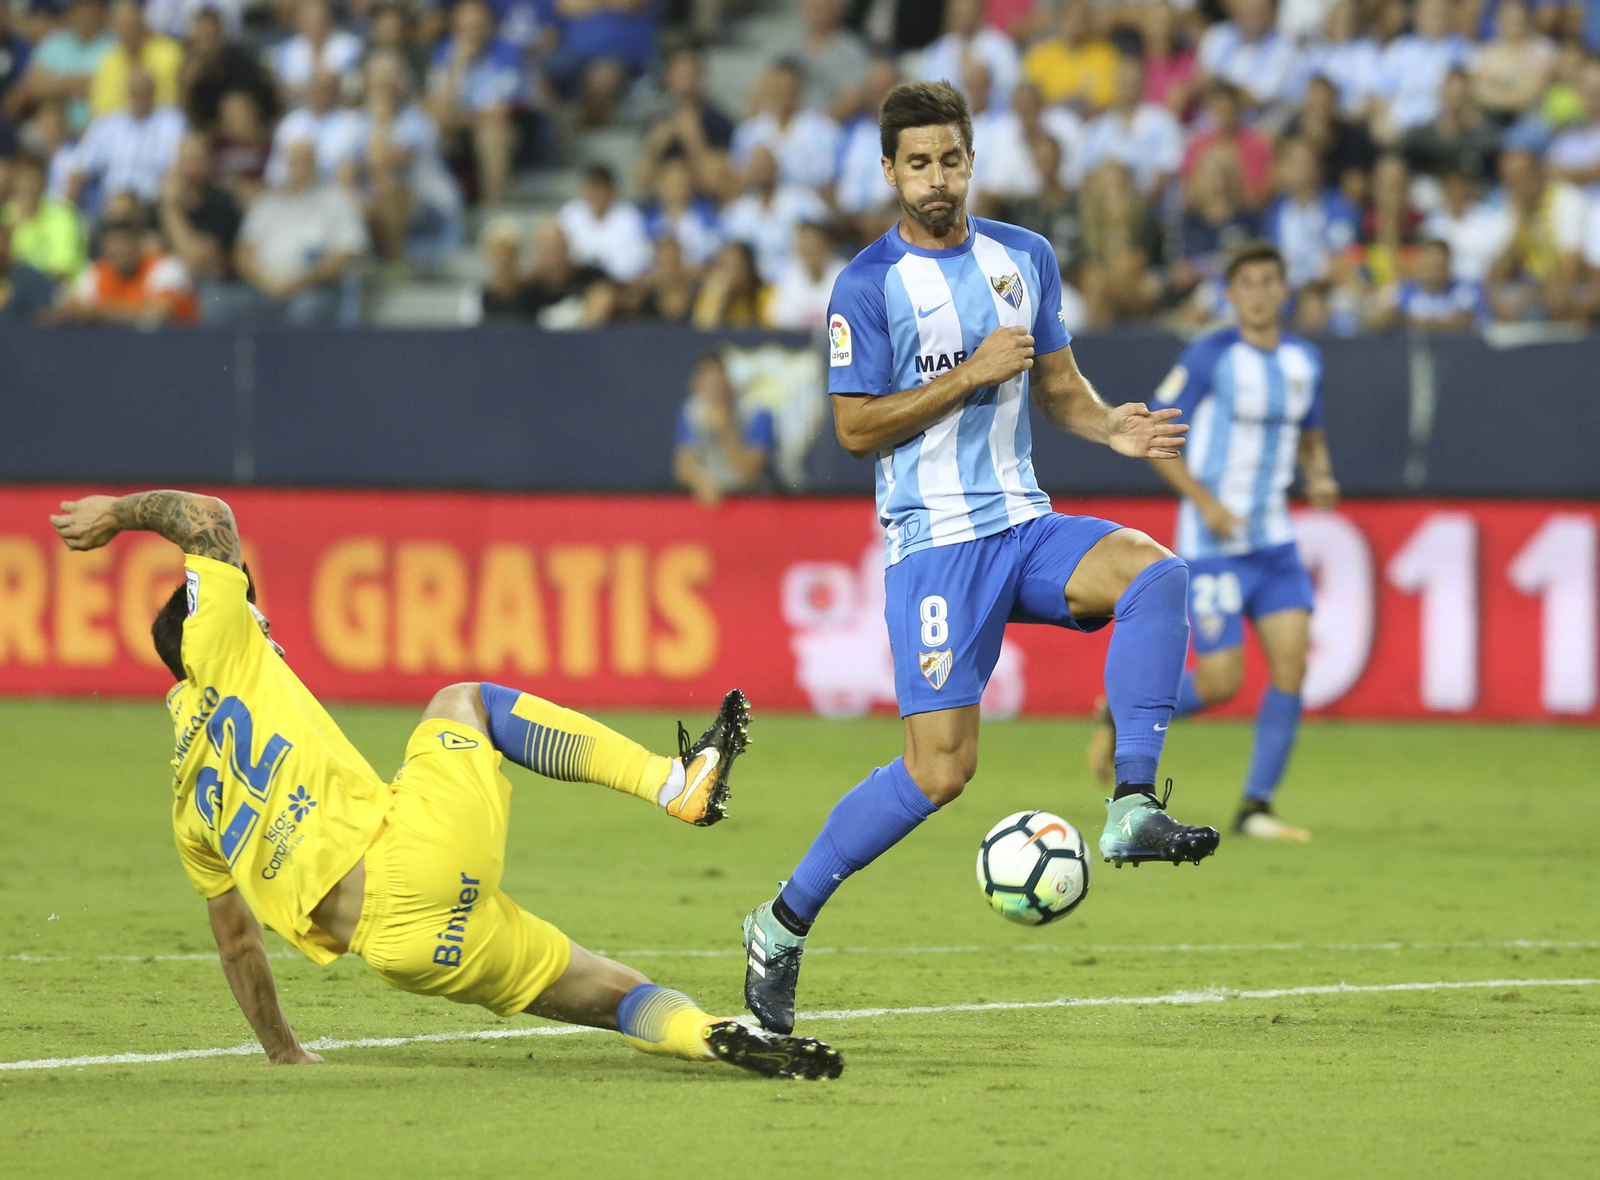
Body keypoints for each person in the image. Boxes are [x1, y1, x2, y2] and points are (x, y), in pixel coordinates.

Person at [46, 489, 839, 1081]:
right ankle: (677, 786)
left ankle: (710, 1034)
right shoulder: (218, 639)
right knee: (465, 703)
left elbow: (235, 941)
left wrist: (283, 1052)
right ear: (208, 624)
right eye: (253, 612)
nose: (264, 624)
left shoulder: (187, 802)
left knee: (606, 993)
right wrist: (118, 514)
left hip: (402, 950)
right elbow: (207, 517)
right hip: (409, 855)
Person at [738, 81, 1218, 1037]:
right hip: (936, 548)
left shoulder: (1023, 258)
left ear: (970, 159)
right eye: (918, 163)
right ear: (889, 172)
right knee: (939, 772)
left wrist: (1108, 427)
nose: (937, 178)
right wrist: (966, 376)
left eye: (951, 159)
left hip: (1023, 521)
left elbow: (1060, 388)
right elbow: (853, 429)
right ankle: (780, 925)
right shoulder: (867, 287)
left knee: (1155, 573)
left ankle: (1129, 802)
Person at [1117, 241, 1338, 843]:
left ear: (1284, 290)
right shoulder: (1211, 355)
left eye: (1270, 281)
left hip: (1275, 543)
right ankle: (1122, 714)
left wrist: (1318, 473)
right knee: (1221, 684)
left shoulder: (1303, 361)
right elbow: (1154, 433)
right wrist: (1205, 500)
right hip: (1213, 545)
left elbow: (1310, 434)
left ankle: (1255, 807)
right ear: (1232, 294)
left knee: (1291, 667)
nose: (1261, 292)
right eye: (1248, 282)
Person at [234, 138, 367, 326]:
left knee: (306, 310)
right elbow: (243, 253)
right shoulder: (266, 203)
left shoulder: (337, 201)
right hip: (264, 287)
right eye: (295, 161)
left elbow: (349, 253)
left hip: (315, 288)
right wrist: (267, 281)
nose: (300, 167)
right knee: (224, 304)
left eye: (305, 160)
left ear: (315, 162)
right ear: (286, 163)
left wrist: (300, 281)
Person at [66, 67, 187, 210]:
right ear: (128, 93)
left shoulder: (171, 122)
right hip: (111, 205)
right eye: (136, 92)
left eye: (145, 91)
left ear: (153, 91)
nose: (140, 96)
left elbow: (179, 167)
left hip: (151, 206)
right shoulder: (108, 125)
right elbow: (79, 168)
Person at [53, 207, 198, 324]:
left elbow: (158, 314)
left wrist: (99, 312)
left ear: (138, 243)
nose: (118, 250)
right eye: (113, 244)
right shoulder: (98, 272)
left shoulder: (165, 267)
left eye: (124, 242)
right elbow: (67, 309)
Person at [673, 352, 776, 504]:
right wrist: (700, 481)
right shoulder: (692, 411)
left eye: (719, 383)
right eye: (707, 384)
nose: (714, 391)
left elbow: (748, 474)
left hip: (753, 500)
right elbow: (684, 465)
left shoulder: (756, 412)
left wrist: (726, 431)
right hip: (713, 499)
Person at [88, 0, 182, 118]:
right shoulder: (110, 59)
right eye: (120, 28)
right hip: (119, 128)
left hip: (162, 120)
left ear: (142, 25)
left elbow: (174, 101)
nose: (126, 33)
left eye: (131, 26)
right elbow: (101, 109)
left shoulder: (169, 53)